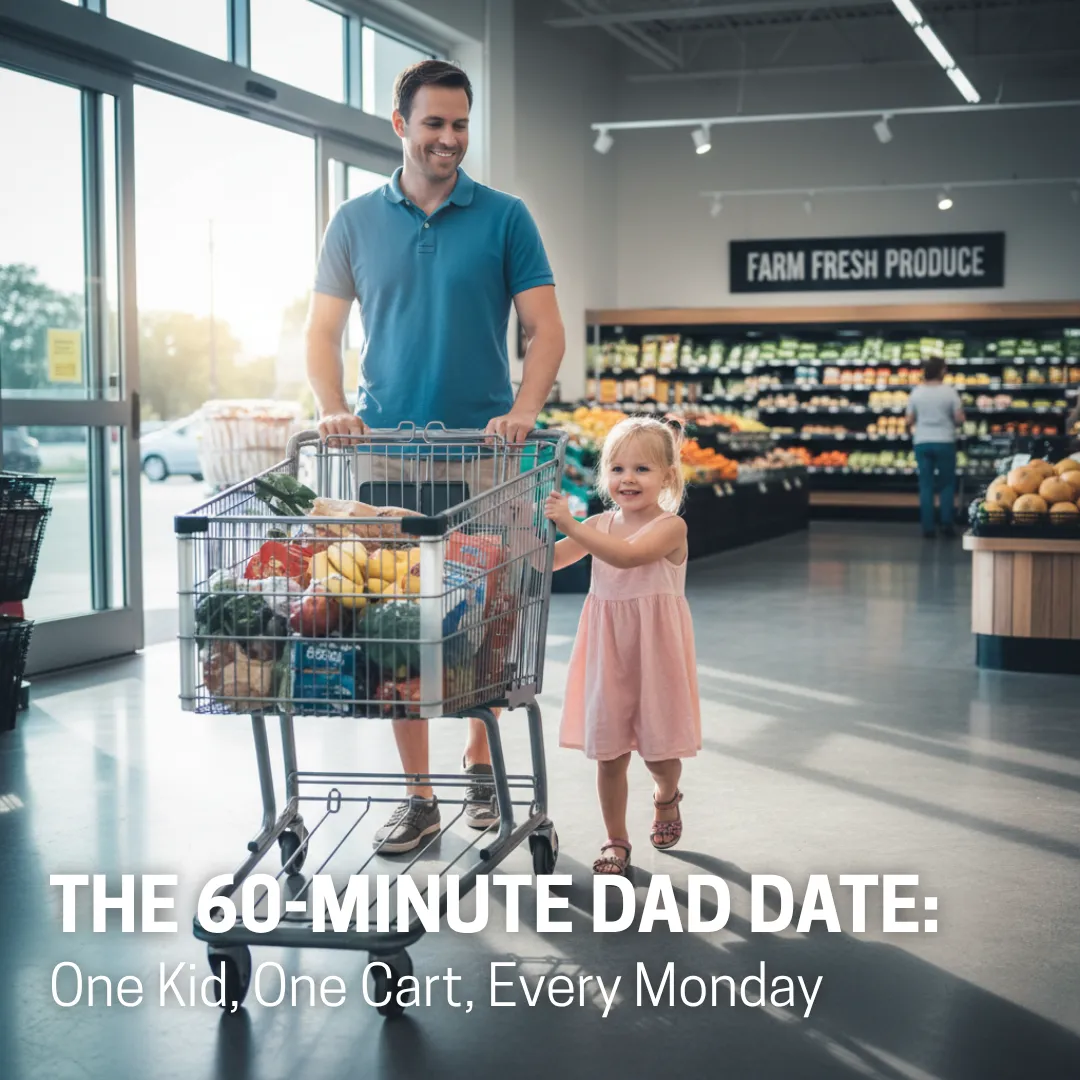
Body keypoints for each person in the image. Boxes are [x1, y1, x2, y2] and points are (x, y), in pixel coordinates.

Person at [305, 59, 565, 853]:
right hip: (384, 453)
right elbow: (321, 333)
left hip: (478, 458)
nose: (449, 139)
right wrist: (333, 409)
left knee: (481, 623)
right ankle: (418, 796)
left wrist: (523, 409)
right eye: (434, 124)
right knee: (397, 626)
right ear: (400, 125)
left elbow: (545, 329)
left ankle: (479, 764)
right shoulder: (353, 221)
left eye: (459, 125)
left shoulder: (506, 217)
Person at [544, 417, 701, 876]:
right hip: (608, 649)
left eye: (642, 470)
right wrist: (530, 529)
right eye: (617, 468)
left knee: (658, 750)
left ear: (668, 476)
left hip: (656, 652)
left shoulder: (671, 528)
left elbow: (626, 556)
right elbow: (552, 560)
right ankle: (616, 840)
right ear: (604, 475)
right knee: (609, 750)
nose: (627, 479)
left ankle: (666, 794)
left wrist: (570, 524)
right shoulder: (598, 523)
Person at [906, 357, 965, 539]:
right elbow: (959, 418)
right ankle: (946, 524)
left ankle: (928, 527)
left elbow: (909, 420)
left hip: (922, 442)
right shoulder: (950, 393)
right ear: (941, 371)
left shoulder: (916, 393)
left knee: (926, 485)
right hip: (945, 441)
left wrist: (912, 430)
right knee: (946, 484)